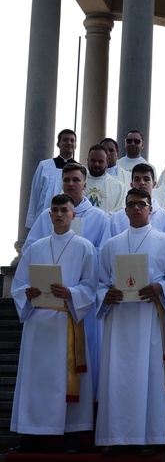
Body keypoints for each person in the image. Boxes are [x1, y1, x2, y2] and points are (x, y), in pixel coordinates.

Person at [10, 194, 97, 454]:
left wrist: (71, 293)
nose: (59, 214)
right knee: (35, 380)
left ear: (74, 215)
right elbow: (19, 284)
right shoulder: (34, 248)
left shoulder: (85, 247)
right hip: (37, 325)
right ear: (49, 215)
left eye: (64, 210)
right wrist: (26, 293)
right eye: (55, 210)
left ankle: (67, 434)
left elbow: (90, 286)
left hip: (66, 323)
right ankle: (32, 434)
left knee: (63, 379)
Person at [95, 188, 165, 455]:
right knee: (118, 377)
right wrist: (105, 295)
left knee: (152, 375)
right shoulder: (112, 244)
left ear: (150, 208)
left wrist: (161, 288)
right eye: (131, 205)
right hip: (119, 321)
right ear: (125, 210)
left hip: (151, 319)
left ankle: (152, 437)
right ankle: (116, 438)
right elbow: (98, 283)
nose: (135, 209)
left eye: (140, 204)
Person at [23, 163, 111, 402]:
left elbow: (103, 255)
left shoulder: (100, 217)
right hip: (45, 305)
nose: (70, 184)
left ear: (85, 184)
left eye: (75, 180)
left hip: (81, 305)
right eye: (66, 180)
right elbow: (32, 250)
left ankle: (86, 409)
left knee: (85, 355)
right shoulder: (46, 216)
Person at [109, 163, 165, 247]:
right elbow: (107, 249)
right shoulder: (116, 219)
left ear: (154, 184)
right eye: (137, 179)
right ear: (131, 185)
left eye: (146, 179)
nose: (142, 183)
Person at [25, 129, 77, 228]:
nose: (69, 143)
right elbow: (35, 194)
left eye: (72, 140)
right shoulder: (44, 166)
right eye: (65, 140)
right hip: (45, 215)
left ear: (75, 145)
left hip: (69, 219)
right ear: (58, 144)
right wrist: (32, 222)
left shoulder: (81, 169)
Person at [84, 144, 127, 214]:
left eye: (100, 161)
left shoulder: (119, 187)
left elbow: (121, 212)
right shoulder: (76, 182)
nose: (96, 164)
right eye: (93, 160)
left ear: (107, 163)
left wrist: (101, 219)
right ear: (87, 160)